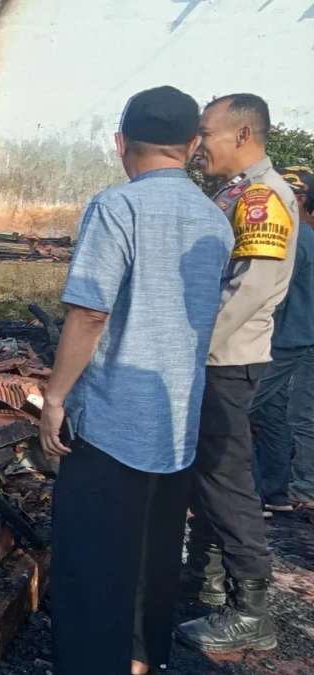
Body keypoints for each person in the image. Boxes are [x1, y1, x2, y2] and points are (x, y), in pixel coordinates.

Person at [38, 87, 232, 675]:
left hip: (111, 425)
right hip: (175, 424)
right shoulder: (214, 220)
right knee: (153, 559)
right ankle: (142, 660)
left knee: (93, 564)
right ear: (193, 145)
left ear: (121, 143)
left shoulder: (116, 207)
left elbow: (90, 313)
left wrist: (54, 399)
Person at [175, 93, 301, 654]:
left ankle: (252, 611)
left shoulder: (261, 200)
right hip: (219, 356)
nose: (198, 146)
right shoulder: (235, 194)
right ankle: (207, 579)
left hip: (225, 360)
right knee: (208, 476)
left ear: (244, 136)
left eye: (208, 134)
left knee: (227, 482)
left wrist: (190, 352)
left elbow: (246, 291)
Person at [250, 168, 314, 513]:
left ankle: (245, 495)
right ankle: (274, 494)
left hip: (283, 341)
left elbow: (272, 293)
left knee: (234, 413)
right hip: (291, 339)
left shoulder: (297, 239)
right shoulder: (303, 236)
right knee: (273, 415)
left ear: (299, 199)